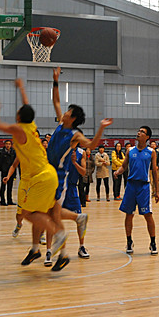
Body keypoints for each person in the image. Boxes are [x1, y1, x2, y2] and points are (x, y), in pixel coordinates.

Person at [0, 86, 69, 270]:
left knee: (27, 213)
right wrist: (21, 88)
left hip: (42, 178)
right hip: (46, 175)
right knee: (37, 213)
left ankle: (58, 235)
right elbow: (27, 105)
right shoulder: (31, 125)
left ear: (19, 116)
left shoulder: (19, 129)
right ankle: (36, 249)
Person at [41, 69, 111, 268]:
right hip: (48, 173)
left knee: (51, 212)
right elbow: (56, 101)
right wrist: (55, 80)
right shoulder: (60, 124)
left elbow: (92, 145)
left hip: (59, 177)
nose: (63, 112)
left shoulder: (75, 135)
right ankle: (77, 220)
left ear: (72, 118)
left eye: (67, 112)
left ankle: (60, 244)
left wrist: (101, 128)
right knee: (49, 212)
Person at [114, 125, 159, 255]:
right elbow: (124, 166)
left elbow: (154, 171)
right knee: (129, 214)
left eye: (142, 132)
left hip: (144, 187)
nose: (139, 133)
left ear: (147, 137)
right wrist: (118, 172)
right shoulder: (130, 151)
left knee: (148, 215)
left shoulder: (151, 152)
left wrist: (156, 191)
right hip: (131, 186)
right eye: (138, 131)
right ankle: (129, 241)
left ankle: (153, 242)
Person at [0, 139, 17, 206]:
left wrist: (14, 173)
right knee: (3, 187)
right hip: (4, 173)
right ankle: (2, 201)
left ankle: (9, 200)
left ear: (11, 145)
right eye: (7, 144)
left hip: (11, 173)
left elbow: (15, 164)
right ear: (4, 145)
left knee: (10, 187)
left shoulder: (13, 153)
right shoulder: (1, 153)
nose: (8, 145)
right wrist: (3, 169)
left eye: (9, 144)